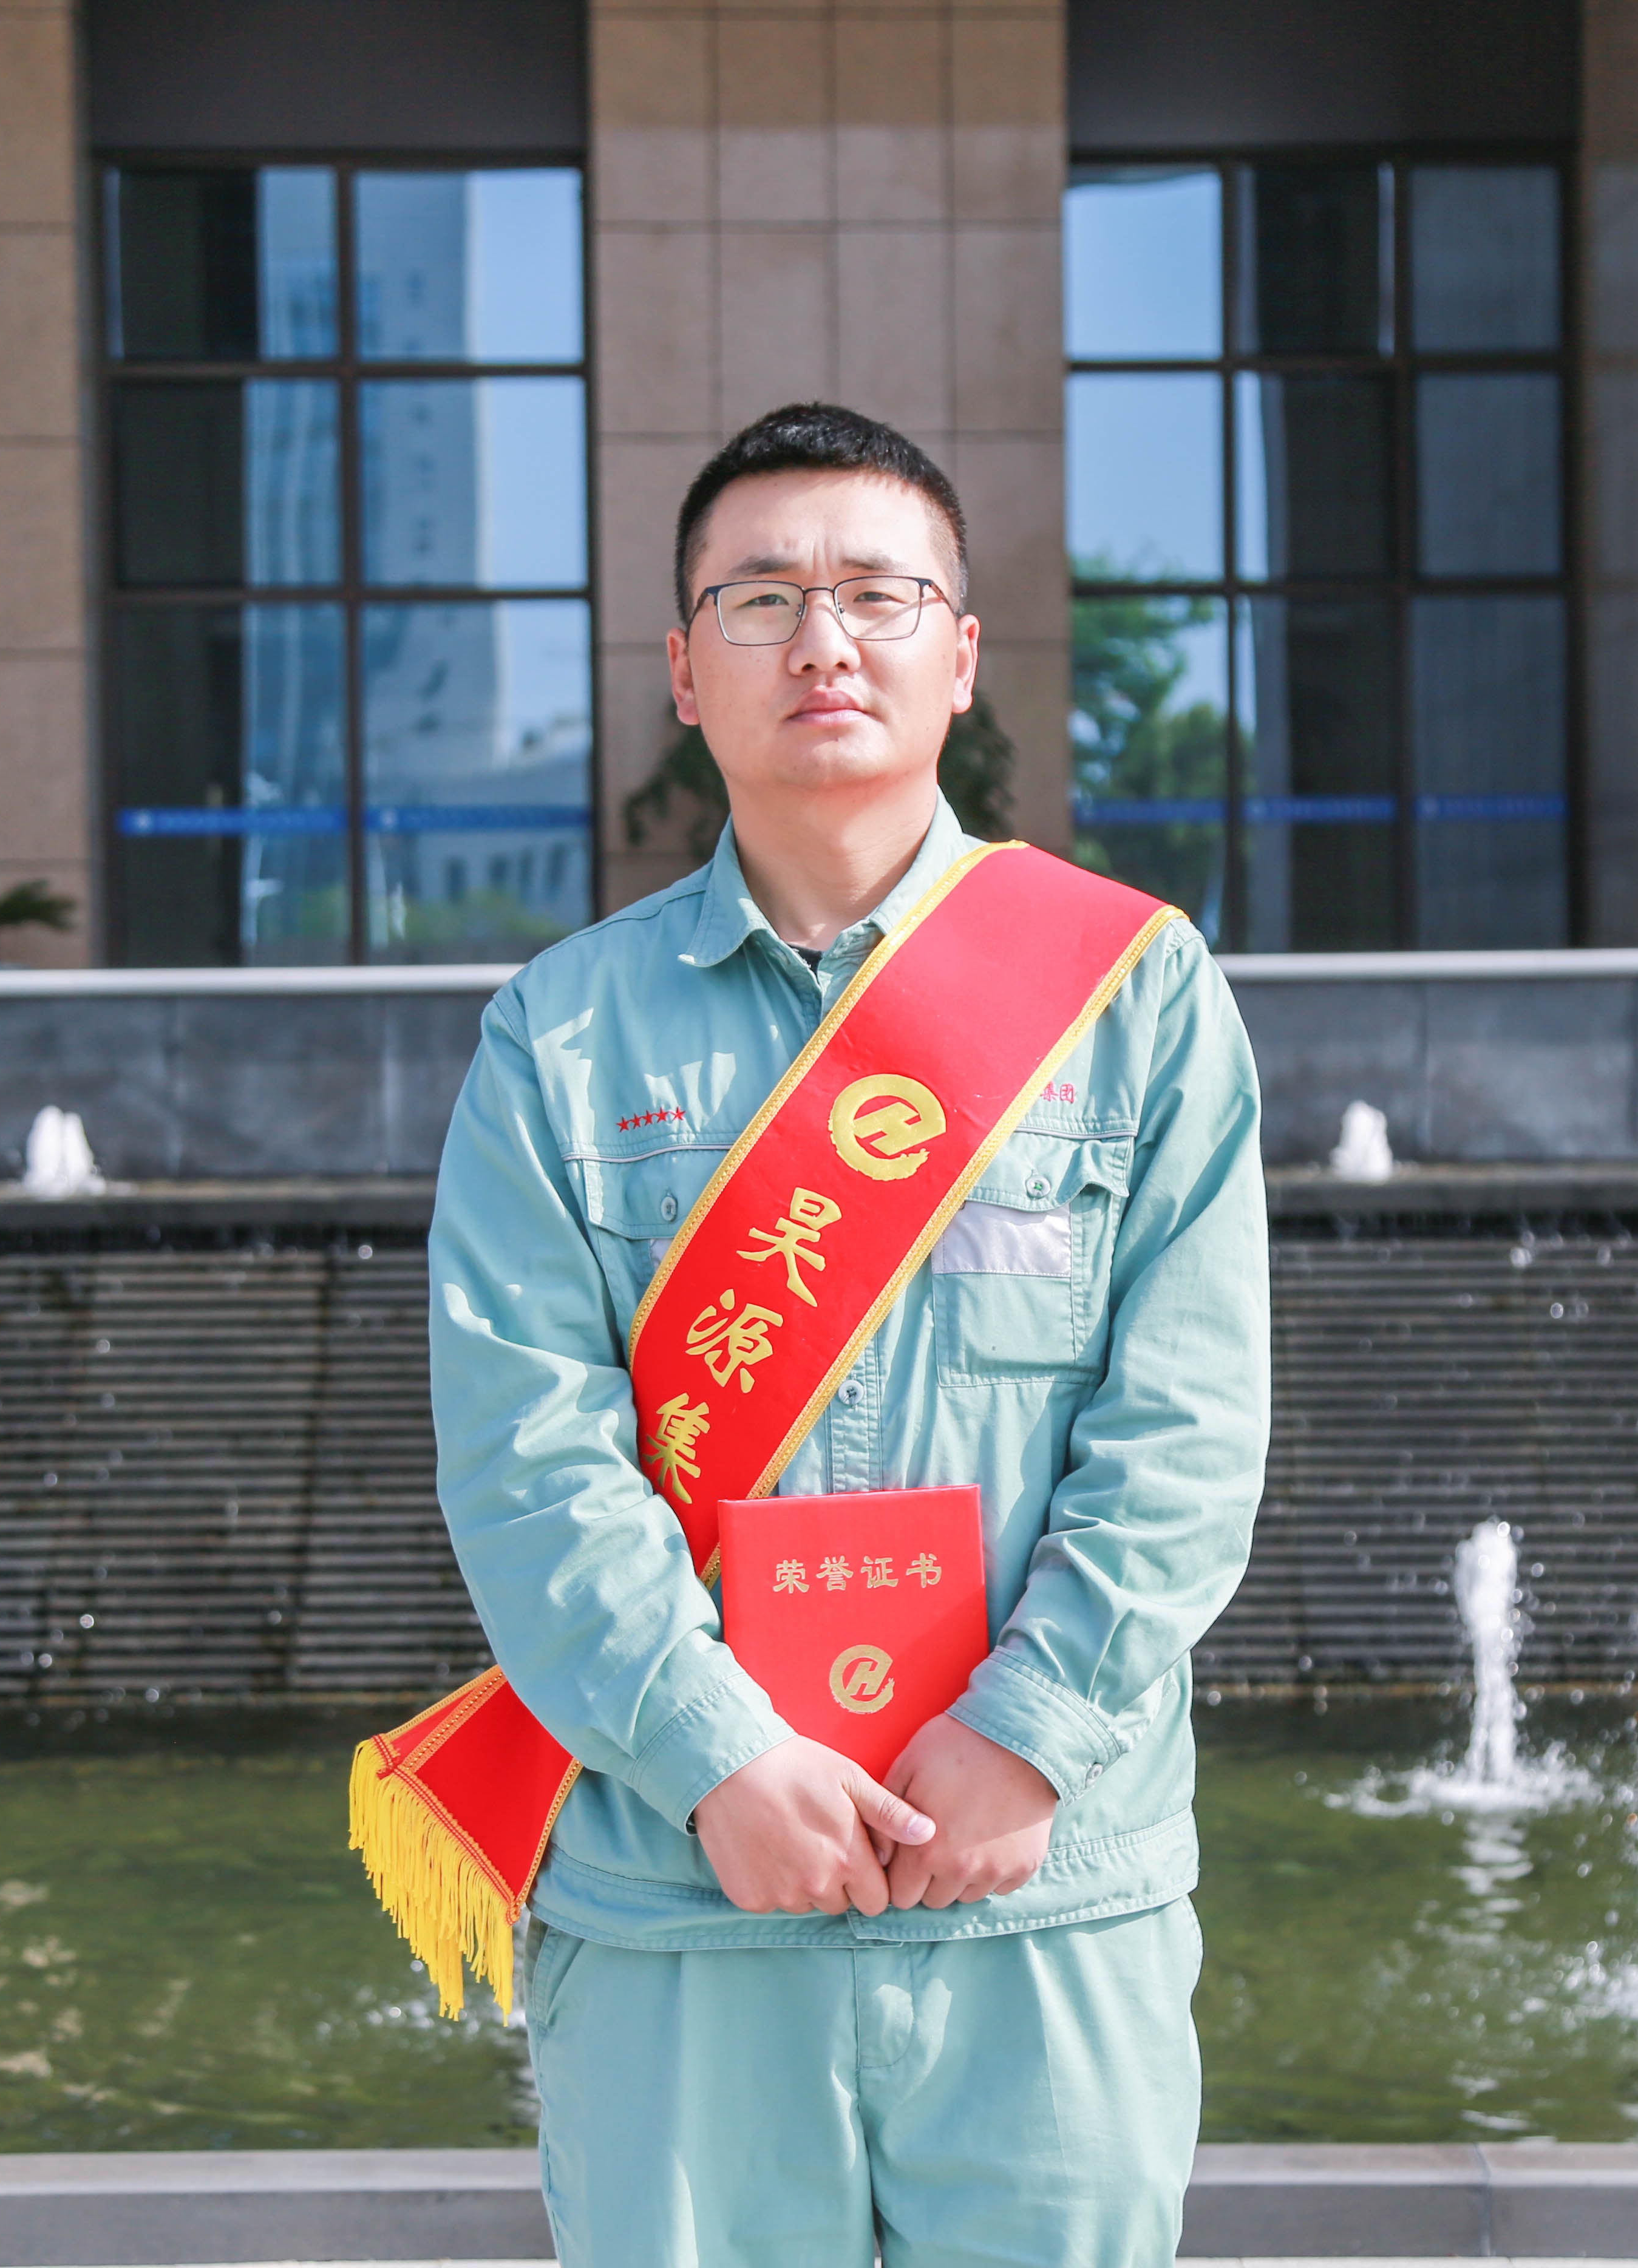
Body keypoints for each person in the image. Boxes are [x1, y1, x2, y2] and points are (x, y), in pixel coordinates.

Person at [407, 404, 1269, 2267]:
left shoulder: (1134, 998)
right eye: (762, 597)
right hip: (679, 1891)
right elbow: (527, 1459)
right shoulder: (558, 1041)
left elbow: (1190, 1427)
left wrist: (1029, 1734)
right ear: (683, 670)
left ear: (960, 654)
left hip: (1045, 1888)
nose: (824, 640)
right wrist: (714, 1757)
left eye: (880, 594)